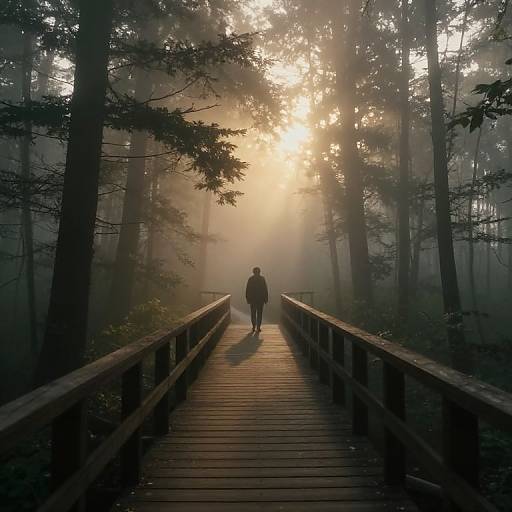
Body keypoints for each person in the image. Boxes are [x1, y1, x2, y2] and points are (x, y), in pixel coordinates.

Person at [245, 267, 268, 332]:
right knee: (257, 314)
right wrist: (266, 299)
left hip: (255, 300)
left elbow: (248, 290)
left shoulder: (251, 279)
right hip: (258, 300)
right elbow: (265, 289)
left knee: (255, 314)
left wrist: (247, 298)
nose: (257, 273)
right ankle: (256, 327)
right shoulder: (261, 279)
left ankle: (255, 327)